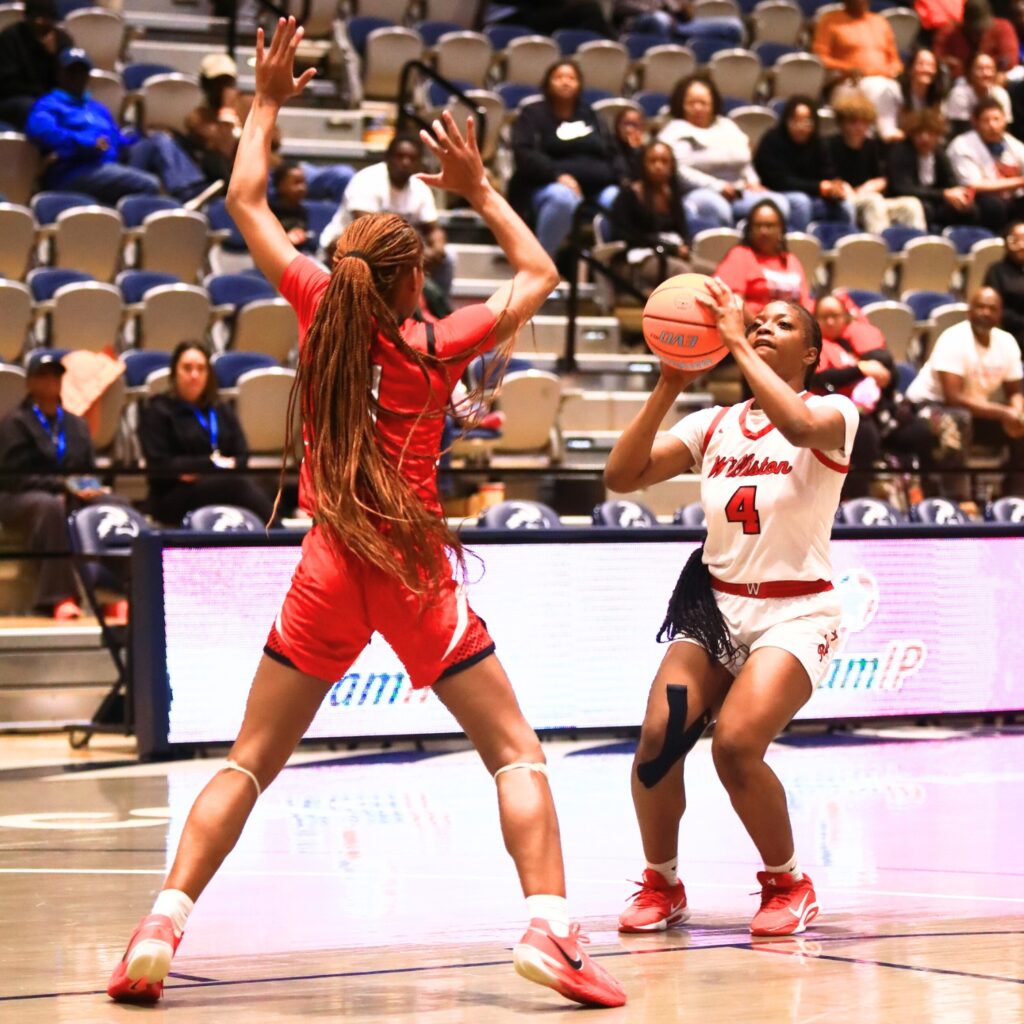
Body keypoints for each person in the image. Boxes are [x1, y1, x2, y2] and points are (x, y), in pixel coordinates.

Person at [106, 19, 626, 1010]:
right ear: (407, 276)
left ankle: (161, 922)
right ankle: (550, 929)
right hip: (412, 569)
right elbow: (540, 276)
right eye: (421, 261)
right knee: (515, 751)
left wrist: (265, 99)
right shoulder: (435, 342)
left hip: (328, 565)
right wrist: (478, 191)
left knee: (248, 763)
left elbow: (246, 196)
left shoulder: (313, 301)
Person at [604, 285, 858, 939]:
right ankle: (662, 883)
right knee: (658, 742)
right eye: (757, 321)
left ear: (812, 350)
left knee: (738, 745)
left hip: (796, 613)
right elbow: (622, 476)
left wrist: (737, 340)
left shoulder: (832, 413)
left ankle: (789, 884)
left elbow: (797, 429)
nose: (765, 327)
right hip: (716, 610)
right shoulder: (713, 424)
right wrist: (668, 385)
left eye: (782, 324)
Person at [0, 353, 119, 620]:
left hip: (72, 492)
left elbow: (87, 469)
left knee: (114, 507)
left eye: (55, 375)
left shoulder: (76, 424)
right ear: (30, 382)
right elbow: (13, 477)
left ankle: (114, 592)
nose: (50, 381)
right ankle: (58, 597)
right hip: (20, 497)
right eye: (43, 375)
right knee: (50, 505)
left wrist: (90, 487)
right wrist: (62, 486)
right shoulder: (14, 423)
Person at [25, 48, 207, 203]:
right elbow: (39, 130)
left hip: (110, 165)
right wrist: (86, 142)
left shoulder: (96, 108)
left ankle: (190, 192)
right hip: (75, 170)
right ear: (60, 74)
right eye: (72, 72)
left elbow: (118, 140)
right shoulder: (49, 104)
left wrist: (140, 136)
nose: (77, 77)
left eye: (81, 72)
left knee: (158, 140)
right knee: (147, 183)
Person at [185, 52, 354, 202]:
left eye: (228, 81)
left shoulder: (250, 102)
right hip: (253, 180)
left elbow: (275, 139)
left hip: (280, 170)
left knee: (342, 175)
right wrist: (227, 117)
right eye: (217, 82)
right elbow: (224, 152)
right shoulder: (198, 118)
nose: (224, 87)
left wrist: (244, 130)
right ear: (205, 84)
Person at [139, 342, 275, 526]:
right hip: (173, 494)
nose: (194, 375)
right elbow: (161, 464)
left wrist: (201, 470)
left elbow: (241, 453)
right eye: (187, 368)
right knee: (236, 484)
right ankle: (278, 534)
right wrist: (212, 465)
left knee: (268, 482)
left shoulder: (220, 409)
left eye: (201, 369)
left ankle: (262, 539)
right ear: (174, 373)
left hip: (220, 483)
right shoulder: (158, 410)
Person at [812, 292, 934, 495]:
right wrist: (861, 369)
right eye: (824, 317)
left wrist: (883, 374)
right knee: (864, 431)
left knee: (920, 432)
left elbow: (887, 379)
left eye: (836, 316)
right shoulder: (813, 347)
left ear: (846, 318)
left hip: (874, 412)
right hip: (838, 413)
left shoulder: (854, 344)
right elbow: (819, 378)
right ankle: (857, 499)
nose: (831, 321)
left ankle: (927, 498)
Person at [905, 287, 1024, 493]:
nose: (985, 312)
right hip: (924, 407)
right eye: (980, 307)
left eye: (992, 308)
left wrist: (1017, 414)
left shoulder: (1007, 342)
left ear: (1000, 313)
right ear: (969, 311)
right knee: (959, 420)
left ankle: (1015, 499)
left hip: (974, 410)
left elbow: (1014, 391)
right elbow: (954, 398)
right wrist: (1005, 413)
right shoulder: (954, 338)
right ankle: (958, 499)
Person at [318, 133, 454, 304]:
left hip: (398, 251)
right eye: (400, 156)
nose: (405, 162)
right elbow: (368, 231)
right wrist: (414, 253)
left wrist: (437, 248)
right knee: (371, 255)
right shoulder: (367, 180)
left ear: (419, 163)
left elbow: (433, 228)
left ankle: (439, 311)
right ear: (388, 157)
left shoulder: (420, 188)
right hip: (348, 247)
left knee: (448, 258)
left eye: (412, 158)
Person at [508, 60, 622, 259]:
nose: (565, 82)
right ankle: (542, 263)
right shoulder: (533, 114)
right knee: (562, 198)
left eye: (571, 78)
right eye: (559, 77)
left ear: (579, 84)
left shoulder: (591, 115)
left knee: (616, 197)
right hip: (544, 186)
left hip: (594, 188)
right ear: (548, 83)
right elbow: (524, 154)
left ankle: (608, 263)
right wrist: (557, 175)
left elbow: (611, 153)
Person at [658, 74, 790, 229]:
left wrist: (753, 182)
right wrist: (717, 186)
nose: (698, 108)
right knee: (719, 209)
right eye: (691, 103)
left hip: (738, 190)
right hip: (698, 192)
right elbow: (679, 171)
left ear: (713, 103)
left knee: (779, 205)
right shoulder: (674, 130)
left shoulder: (727, 125)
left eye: (703, 103)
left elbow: (744, 161)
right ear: (681, 104)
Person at [828, 92, 927, 232]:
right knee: (873, 201)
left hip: (870, 197)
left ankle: (918, 247)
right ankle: (881, 248)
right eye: (853, 122)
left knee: (912, 204)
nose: (859, 127)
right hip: (845, 201)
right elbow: (830, 179)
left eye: (864, 122)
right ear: (842, 122)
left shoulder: (873, 146)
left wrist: (870, 187)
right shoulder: (830, 145)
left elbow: (882, 178)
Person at [753, 97, 855, 232]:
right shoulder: (772, 140)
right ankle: (798, 245)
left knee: (846, 205)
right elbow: (779, 181)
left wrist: (835, 185)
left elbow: (828, 173)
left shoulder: (818, 143)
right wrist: (819, 187)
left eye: (807, 122)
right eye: (795, 121)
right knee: (801, 202)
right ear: (787, 121)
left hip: (815, 196)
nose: (801, 127)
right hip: (777, 193)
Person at [607, 140, 692, 292]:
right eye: (653, 161)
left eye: (664, 161)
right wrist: (670, 248)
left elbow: (683, 230)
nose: (658, 166)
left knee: (715, 271)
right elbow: (624, 235)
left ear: (672, 166)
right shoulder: (629, 195)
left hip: (669, 255)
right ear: (642, 164)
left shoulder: (673, 195)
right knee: (682, 272)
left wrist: (685, 246)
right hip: (634, 260)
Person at [715, 199, 812, 321]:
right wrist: (759, 327)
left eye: (769, 226)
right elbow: (730, 299)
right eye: (757, 226)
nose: (763, 231)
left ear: (781, 229)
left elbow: (805, 304)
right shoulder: (740, 254)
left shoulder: (792, 260)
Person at [886, 109, 980, 227]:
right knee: (925, 209)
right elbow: (903, 188)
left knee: (969, 209)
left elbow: (950, 182)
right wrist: (943, 194)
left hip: (935, 201)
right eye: (919, 133)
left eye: (930, 133)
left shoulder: (938, 153)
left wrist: (961, 196)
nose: (925, 138)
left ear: (937, 135)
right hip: (908, 201)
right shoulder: (901, 152)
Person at [947, 96, 1024, 230]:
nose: (992, 125)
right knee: (992, 205)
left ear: (1005, 120)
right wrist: (1019, 182)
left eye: (996, 119)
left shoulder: (1013, 144)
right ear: (975, 122)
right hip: (975, 201)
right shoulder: (963, 145)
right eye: (986, 120)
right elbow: (974, 185)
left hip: (1010, 200)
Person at [813, 0, 903, 109]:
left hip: (884, 81)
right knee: (878, 88)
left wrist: (890, 71)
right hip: (849, 82)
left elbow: (896, 62)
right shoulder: (829, 20)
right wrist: (848, 69)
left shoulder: (880, 22)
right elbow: (820, 58)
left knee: (890, 88)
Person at [0, 0, 72, 129]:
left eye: (45, 17)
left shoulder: (62, 40)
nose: (39, 21)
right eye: (35, 16)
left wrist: (52, 56)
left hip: (53, 98)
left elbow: (69, 81)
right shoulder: (10, 38)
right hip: (16, 99)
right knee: (36, 110)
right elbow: (8, 84)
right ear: (26, 16)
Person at [873, 49, 949, 142]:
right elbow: (886, 130)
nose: (926, 69)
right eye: (921, 64)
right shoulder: (893, 90)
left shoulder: (937, 97)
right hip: (895, 145)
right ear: (910, 68)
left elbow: (939, 131)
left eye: (931, 66)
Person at [934, 0, 1019, 81]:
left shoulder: (1003, 28)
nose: (977, 34)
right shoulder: (948, 33)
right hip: (959, 83)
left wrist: (987, 67)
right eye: (973, 29)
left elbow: (1010, 59)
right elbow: (938, 60)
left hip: (995, 79)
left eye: (981, 29)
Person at [944, 52, 1014, 132]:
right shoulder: (958, 94)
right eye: (980, 69)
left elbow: (1006, 127)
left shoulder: (1001, 94)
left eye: (990, 69)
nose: (986, 74)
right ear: (970, 72)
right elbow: (960, 129)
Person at [983, 219, 1024, 350]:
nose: (1021, 245)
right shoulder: (996, 270)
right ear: (1006, 243)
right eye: (1015, 240)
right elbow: (995, 309)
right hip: (1008, 333)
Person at [269, 160, 316, 253]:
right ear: (280, 185)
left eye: (303, 182)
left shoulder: (303, 211)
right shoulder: (268, 212)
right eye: (296, 182)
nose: (302, 188)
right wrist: (286, 240)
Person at [613, 106, 648, 183]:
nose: (629, 129)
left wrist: (636, 150)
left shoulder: (647, 149)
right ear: (617, 125)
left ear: (642, 127)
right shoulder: (610, 146)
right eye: (626, 123)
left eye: (635, 124)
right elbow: (621, 175)